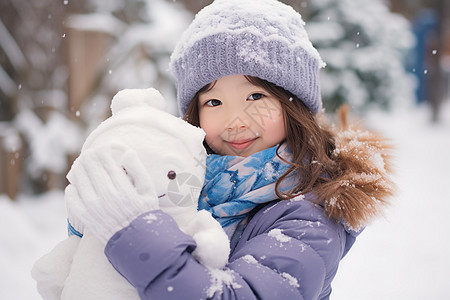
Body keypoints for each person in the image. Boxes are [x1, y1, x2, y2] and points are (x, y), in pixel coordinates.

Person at [67, 0, 394, 299]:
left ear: (294, 105)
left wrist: (134, 234)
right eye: (213, 101)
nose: (235, 121)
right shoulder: (191, 182)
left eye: (255, 97)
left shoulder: (309, 213)